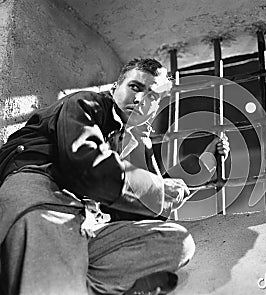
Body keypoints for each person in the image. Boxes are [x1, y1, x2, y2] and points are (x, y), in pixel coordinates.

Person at [0, 58, 229, 295]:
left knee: (176, 242)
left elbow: (147, 205)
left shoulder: (137, 142)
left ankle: (74, 281)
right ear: (114, 88)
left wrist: (203, 164)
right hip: (46, 200)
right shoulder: (86, 103)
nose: (140, 100)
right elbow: (89, 169)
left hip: (87, 224)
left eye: (152, 97)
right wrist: (159, 189)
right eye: (135, 87)